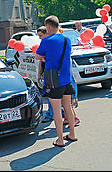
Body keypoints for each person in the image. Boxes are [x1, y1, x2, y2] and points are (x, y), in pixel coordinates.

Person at [36, 15, 77, 147]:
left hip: (54, 80)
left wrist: (45, 57)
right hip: (66, 79)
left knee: (56, 110)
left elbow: (37, 56)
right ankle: (72, 133)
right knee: (68, 108)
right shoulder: (66, 39)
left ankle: (60, 139)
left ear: (48, 26)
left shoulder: (46, 40)